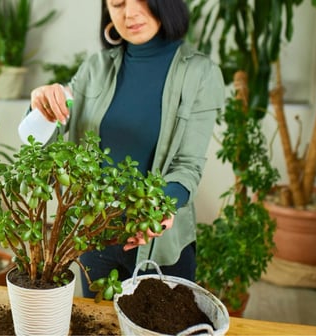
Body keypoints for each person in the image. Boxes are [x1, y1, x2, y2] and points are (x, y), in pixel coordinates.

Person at [25, 0, 225, 298]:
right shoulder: (95, 69)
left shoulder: (200, 74)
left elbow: (188, 166)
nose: (128, 13)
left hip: (161, 247)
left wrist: (160, 206)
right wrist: (41, 106)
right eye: (117, 3)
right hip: (94, 242)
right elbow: (46, 148)